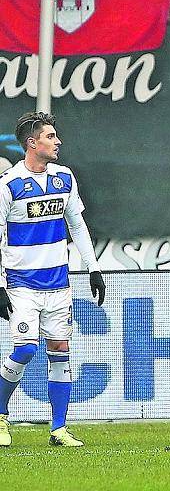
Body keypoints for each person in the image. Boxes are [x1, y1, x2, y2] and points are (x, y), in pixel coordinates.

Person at [0, 112, 106, 448]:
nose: (57, 141)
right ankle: (1, 416)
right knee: (27, 348)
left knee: (60, 349)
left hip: (59, 282)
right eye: (50, 136)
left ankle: (58, 429)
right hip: (21, 284)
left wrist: (93, 268)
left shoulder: (64, 178)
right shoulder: (9, 185)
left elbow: (77, 225)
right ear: (32, 143)